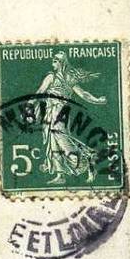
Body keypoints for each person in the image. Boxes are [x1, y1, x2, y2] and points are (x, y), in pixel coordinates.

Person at [36, 51, 108, 184]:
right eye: (54, 59)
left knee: (61, 139)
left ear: (62, 63)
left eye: (56, 60)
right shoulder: (51, 77)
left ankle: (86, 159)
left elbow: (84, 94)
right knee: (53, 141)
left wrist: (97, 100)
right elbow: (40, 91)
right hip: (51, 110)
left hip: (60, 111)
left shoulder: (68, 79)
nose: (54, 61)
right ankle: (60, 175)